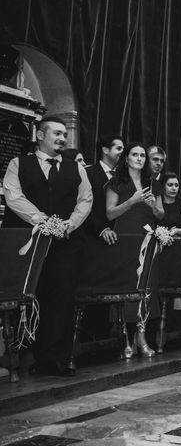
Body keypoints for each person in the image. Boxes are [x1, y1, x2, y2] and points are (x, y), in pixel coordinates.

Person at [2, 116, 93, 377]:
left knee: (61, 297)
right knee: (29, 296)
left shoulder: (77, 169)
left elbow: (85, 200)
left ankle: (54, 359)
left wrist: (68, 225)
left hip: (67, 242)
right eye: (56, 133)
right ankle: (22, 355)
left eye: (65, 134)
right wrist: (43, 221)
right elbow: (13, 196)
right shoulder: (18, 164)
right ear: (40, 135)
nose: (63, 138)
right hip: (30, 243)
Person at [106, 142, 164, 357]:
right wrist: (131, 201)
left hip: (147, 238)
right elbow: (110, 214)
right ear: (126, 158)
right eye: (135, 154)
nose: (139, 158)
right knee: (127, 285)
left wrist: (151, 205)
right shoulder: (116, 183)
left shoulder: (153, 184)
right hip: (125, 238)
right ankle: (125, 338)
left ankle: (141, 335)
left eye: (142, 155)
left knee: (148, 288)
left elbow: (160, 215)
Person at [83, 134, 124, 340]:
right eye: (118, 148)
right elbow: (83, 207)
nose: (122, 153)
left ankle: (110, 337)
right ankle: (91, 336)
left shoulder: (124, 177)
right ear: (105, 150)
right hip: (93, 239)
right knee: (94, 291)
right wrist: (101, 229)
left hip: (118, 241)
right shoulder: (89, 173)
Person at [158, 172, 181, 237]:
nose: (174, 188)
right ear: (162, 186)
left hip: (178, 242)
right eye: (170, 185)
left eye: (176, 185)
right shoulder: (156, 203)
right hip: (157, 244)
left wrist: (176, 231)